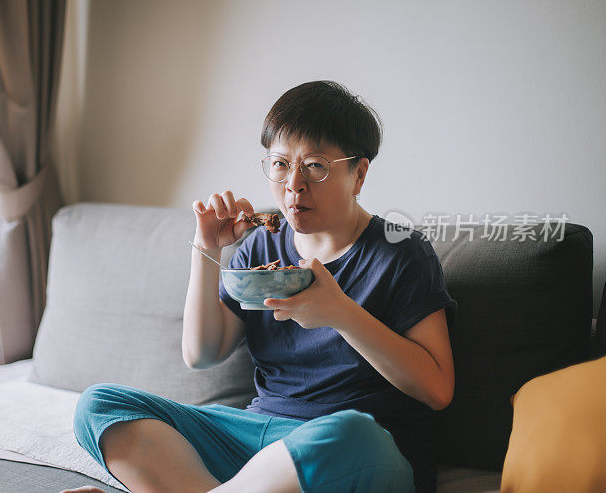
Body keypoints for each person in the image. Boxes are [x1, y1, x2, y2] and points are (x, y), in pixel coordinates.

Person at [66, 80, 457, 493]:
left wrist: (342, 313)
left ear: (358, 173)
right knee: (101, 405)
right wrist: (206, 249)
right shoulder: (260, 245)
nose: (294, 185)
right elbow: (201, 354)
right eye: (281, 164)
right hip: (257, 442)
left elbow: (437, 389)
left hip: (353, 449)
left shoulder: (402, 253)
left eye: (316, 166)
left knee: (349, 434)